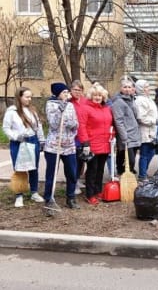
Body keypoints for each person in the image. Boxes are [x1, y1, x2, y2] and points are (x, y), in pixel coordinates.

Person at [3, 87, 45, 207]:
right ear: (19, 97)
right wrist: (16, 136)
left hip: (33, 141)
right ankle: (19, 195)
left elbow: (38, 126)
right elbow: (6, 128)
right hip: (19, 142)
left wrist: (41, 140)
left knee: (34, 168)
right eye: (27, 97)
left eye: (30, 96)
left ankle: (34, 192)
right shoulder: (12, 112)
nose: (29, 99)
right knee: (20, 168)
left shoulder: (32, 111)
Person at [44, 82, 80, 212]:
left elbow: (76, 123)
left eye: (67, 92)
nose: (67, 94)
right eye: (64, 92)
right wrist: (61, 110)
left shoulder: (70, 105)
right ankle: (49, 199)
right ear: (57, 93)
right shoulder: (51, 104)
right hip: (54, 145)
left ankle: (70, 198)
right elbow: (53, 124)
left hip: (69, 146)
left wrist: (73, 125)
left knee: (72, 173)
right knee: (52, 174)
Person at [77, 84, 113, 205]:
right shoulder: (85, 108)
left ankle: (98, 191)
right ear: (91, 96)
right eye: (95, 95)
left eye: (100, 95)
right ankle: (90, 194)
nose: (97, 97)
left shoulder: (106, 109)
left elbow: (110, 124)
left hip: (105, 144)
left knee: (100, 170)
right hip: (92, 144)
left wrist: (113, 135)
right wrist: (85, 142)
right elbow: (81, 126)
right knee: (92, 170)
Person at [111, 78, 141, 175]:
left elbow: (135, 116)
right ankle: (122, 173)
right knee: (130, 159)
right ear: (121, 88)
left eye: (129, 87)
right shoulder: (118, 102)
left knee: (127, 157)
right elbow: (118, 121)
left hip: (134, 133)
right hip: (126, 135)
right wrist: (124, 137)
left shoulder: (131, 99)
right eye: (125, 87)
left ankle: (125, 173)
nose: (127, 89)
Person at [134, 79, 158, 182]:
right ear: (140, 89)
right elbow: (141, 117)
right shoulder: (140, 100)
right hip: (145, 131)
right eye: (146, 87)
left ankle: (144, 172)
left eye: (148, 87)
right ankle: (142, 175)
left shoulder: (147, 98)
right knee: (144, 154)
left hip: (151, 131)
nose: (148, 89)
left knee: (152, 152)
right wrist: (154, 121)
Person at [69, 80, 87, 195]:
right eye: (75, 90)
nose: (77, 92)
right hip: (73, 136)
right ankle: (73, 182)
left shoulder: (85, 101)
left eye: (79, 90)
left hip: (84, 135)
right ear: (71, 90)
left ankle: (78, 179)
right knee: (74, 161)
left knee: (82, 160)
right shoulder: (69, 102)